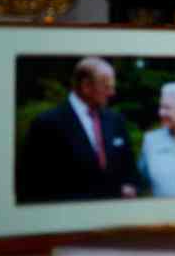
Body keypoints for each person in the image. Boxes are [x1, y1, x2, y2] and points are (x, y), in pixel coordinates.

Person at [17, 57, 139, 203]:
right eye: (107, 87)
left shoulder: (115, 120)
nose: (112, 92)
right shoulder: (47, 124)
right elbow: (31, 184)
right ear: (86, 86)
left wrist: (131, 186)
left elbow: (130, 168)